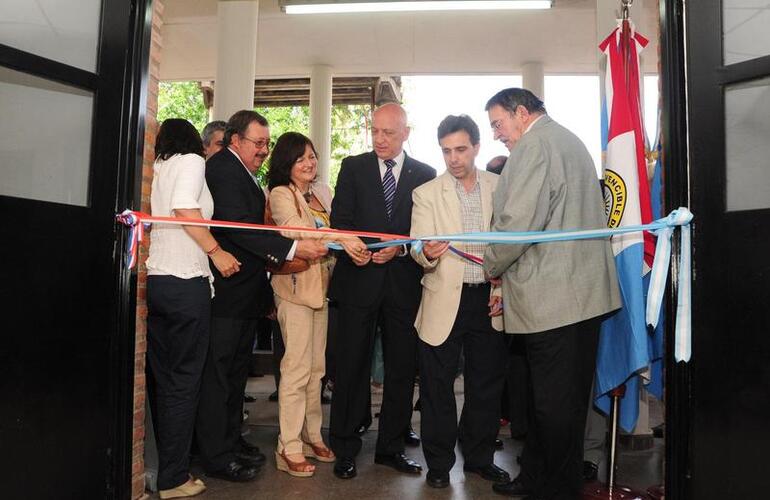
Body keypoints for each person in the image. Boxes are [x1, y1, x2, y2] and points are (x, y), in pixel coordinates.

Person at [482, 88, 621, 500]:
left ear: (521, 114)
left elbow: (518, 224)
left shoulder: (534, 146)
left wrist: (490, 265)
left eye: (498, 124)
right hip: (580, 297)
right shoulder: (567, 139)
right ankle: (536, 477)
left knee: (555, 408)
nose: (496, 135)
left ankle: (558, 489)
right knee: (557, 401)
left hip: (555, 301)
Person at [196, 110, 328, 483]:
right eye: (258, 143)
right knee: (220, 377)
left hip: (246, 294)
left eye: (267, 144)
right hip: (227, 294)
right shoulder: (223, 168)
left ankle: (231, 442)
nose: (263, 151)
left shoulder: (246, 174)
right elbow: (239, 229)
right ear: (235, 140)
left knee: (236, 375)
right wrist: (291, 251)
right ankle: (217, 456)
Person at [328, 103, 436, 480]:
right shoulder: (352, 167)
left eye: (388, 132)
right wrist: (354, 245)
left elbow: (424, 234)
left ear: (406, 132)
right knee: (350, 366)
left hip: (403, 285)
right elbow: (339, 223)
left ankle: (390, 447)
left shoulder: (425, 174)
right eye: (374, 131)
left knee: (402, 368)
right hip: (358, 282)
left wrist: (402, 248)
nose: (379, 139)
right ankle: (344, 446)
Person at [410, 114, 509, 489]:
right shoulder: (426, 193)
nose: (453, 158)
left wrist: (501, 290)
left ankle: (480, 459)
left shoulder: (501, 187)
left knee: (486, 384)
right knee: (437, 387)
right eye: (447, 151)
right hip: (443, 301)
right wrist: (428, 253)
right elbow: (416, 245)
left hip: (488, 299)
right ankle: (438, 464)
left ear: (477, 147)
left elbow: (509, 246)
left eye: (461, 149)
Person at [145, 118, 241, 499]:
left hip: (158, 282)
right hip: (186, 283)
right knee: (185, 383)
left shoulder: (161, 167)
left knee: (167, 382)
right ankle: (173, 478)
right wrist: (217, 252)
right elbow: (187, 211)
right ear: (194, 142)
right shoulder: (191, 161)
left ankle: (170, 469)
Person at [266, 132, 368, 477]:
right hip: (293, 291)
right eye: (300, 159)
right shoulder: (281, 195)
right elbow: (295, 231)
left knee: (316, 371)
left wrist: (351, 244)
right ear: (286, 164)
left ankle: (311, 435)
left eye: (312, 156)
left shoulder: (319, 195)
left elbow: (330, 236)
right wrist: (341, 237)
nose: (309, 163)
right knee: (295, 371)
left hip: (320, 291)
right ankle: (288, 445)